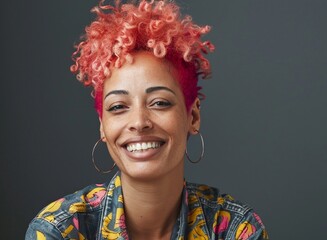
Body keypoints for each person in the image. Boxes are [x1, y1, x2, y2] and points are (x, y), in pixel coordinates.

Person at [25, 0, 268, 239]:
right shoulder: (60, 230)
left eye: (159, 103)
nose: (139, 122)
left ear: (192, 116)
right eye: (119, 107)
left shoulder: (234, 229)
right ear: (102, 125)